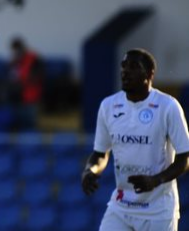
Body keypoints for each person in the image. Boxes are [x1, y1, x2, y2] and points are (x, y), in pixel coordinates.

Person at [81, 48, 189, 231]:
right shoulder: (108, 106)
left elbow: (184, 159)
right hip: (122, 206)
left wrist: (155, 180)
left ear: (149, 74)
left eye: (133, 66)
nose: (125, 71)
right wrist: (91, 170)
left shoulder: (168, 106)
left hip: (158, 210)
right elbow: (100, 153)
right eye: (123, 66)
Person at [8, 36, 43, 130]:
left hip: (31, 96)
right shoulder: (15, 62)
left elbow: (37, 77)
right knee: (20, 123)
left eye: (17, 49)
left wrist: (23, 81)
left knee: (30, 123)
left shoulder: (33, 59)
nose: (16, 52)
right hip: (18, 98)